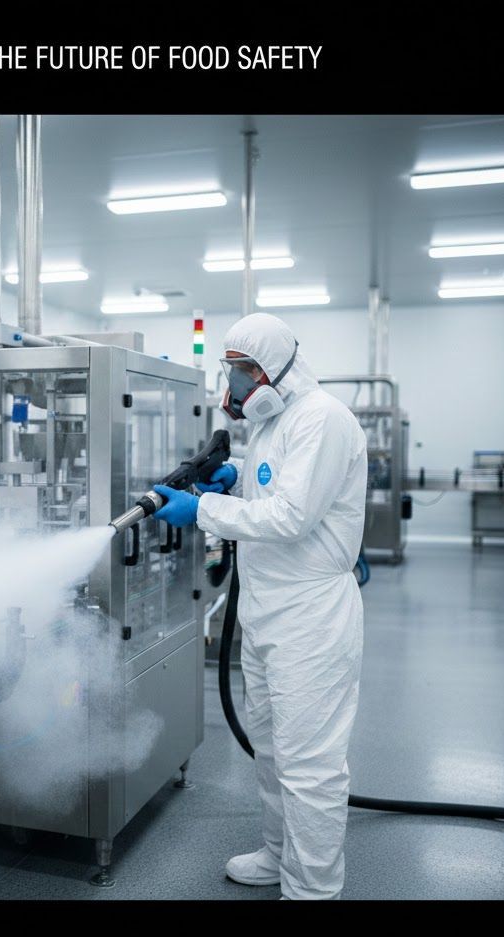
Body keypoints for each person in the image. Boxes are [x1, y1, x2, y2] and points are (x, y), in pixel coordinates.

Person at [153, 313, 367, 900]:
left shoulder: (322, 418)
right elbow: (277, 487)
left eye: (245, 372)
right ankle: (278, 855)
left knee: (310, 764)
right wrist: (238, 475)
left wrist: (200, 512)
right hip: (270, 610)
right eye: (233, 371)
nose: (238, 385)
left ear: (274, 370)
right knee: (272, 751)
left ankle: (313, 889)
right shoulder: (276, 423)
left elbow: (292, 516)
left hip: (312, 616)